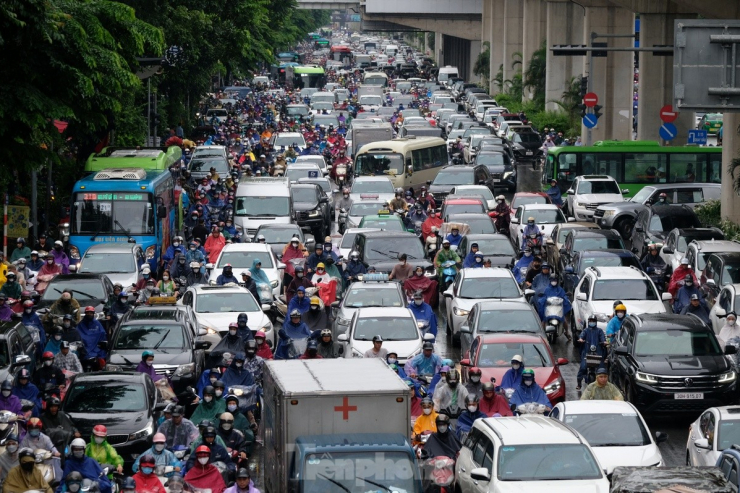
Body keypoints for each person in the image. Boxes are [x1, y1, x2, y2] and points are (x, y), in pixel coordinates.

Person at [576, 315, 607, 390]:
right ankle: (579, 383)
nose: (592, 322)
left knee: (602, 369)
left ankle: (604, 384)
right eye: (590, 321)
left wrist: (604, 342)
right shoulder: (586, 330)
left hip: (598, 353)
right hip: (587, 353)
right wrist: (580, 339)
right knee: (583, 367)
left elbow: (602, 338)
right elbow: (581, 336)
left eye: (593, 321)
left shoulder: (599, 331)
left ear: (595, 322)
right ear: (588, 322)